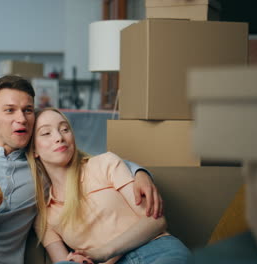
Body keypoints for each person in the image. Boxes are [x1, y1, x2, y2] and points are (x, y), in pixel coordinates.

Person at [0, 75, 162, 264]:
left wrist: (139, 172)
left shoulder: (43, 170)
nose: (22, 118)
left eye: (28, 110)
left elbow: (88, 164)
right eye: (10, 110)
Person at [27, 108, 190, 264]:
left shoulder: (104, 164)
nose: (59, 137)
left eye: (64, 129)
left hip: (156, 252)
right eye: (46, 133)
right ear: (34, 150)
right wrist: (76, 259)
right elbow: (64, 261)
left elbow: (156, 221)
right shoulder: (45, 216)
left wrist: (104, 252)